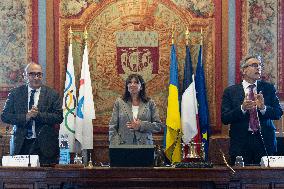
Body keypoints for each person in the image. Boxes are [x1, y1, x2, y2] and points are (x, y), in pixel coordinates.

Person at [221, 55, 283, 165]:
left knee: (267, 179)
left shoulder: (268, 88)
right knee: (239, 179)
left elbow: (278, 113)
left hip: (265, 141)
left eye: (260, 65)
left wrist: (263, 108)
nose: (258, 68)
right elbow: (225, 118)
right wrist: (242, 108)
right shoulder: (230, 91)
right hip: (241, 143)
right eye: (254, 65)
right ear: (243, 70)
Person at [1, 62, 63, 165]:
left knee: (45, 178)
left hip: (44, 145)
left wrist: (38, 115)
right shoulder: (15, 94)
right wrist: (25, 117)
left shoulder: (52, 94)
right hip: (21, 144)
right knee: (21, 179)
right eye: (32, 74)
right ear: (25, 76)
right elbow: (5, 116)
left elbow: (59, 117)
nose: (36, 77)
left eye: (39, 74)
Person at [109, 74, 163, 145]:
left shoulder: (150, 103)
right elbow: (112, 126)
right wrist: (116, 144)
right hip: (123, 145)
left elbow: (158, 126)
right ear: (127, 86)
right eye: (130, 82)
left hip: (144, 145)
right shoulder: (119, 102)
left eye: (136, 82)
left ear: (141, 87)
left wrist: (141, 125)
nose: (132, 85)